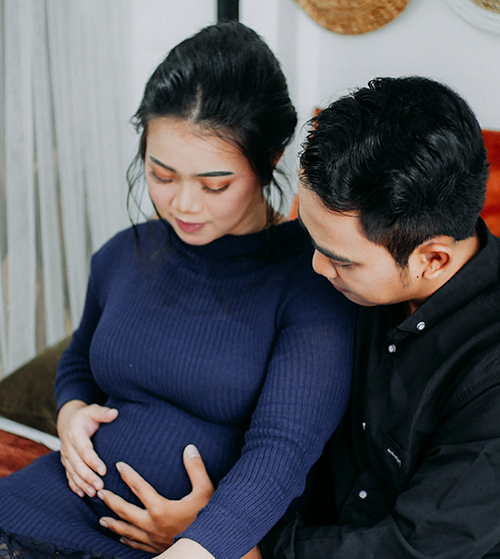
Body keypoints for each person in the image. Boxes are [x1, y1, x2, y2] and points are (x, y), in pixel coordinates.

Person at [0, 21, 355, 559]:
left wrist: (199, 543)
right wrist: (72, 411)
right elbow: (79, 360)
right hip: (51, 501)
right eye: (161, 175)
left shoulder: (312, 278)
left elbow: (282, 452)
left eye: (215, 185)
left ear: (272, 159)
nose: (183, 205)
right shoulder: (126, 252)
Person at [257, 76, 500, 559]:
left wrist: (252, 547)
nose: (315, 267)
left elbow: (415, 546)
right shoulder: (363, 276)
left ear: (431, 260)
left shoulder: (489, 372)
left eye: (341, 260)